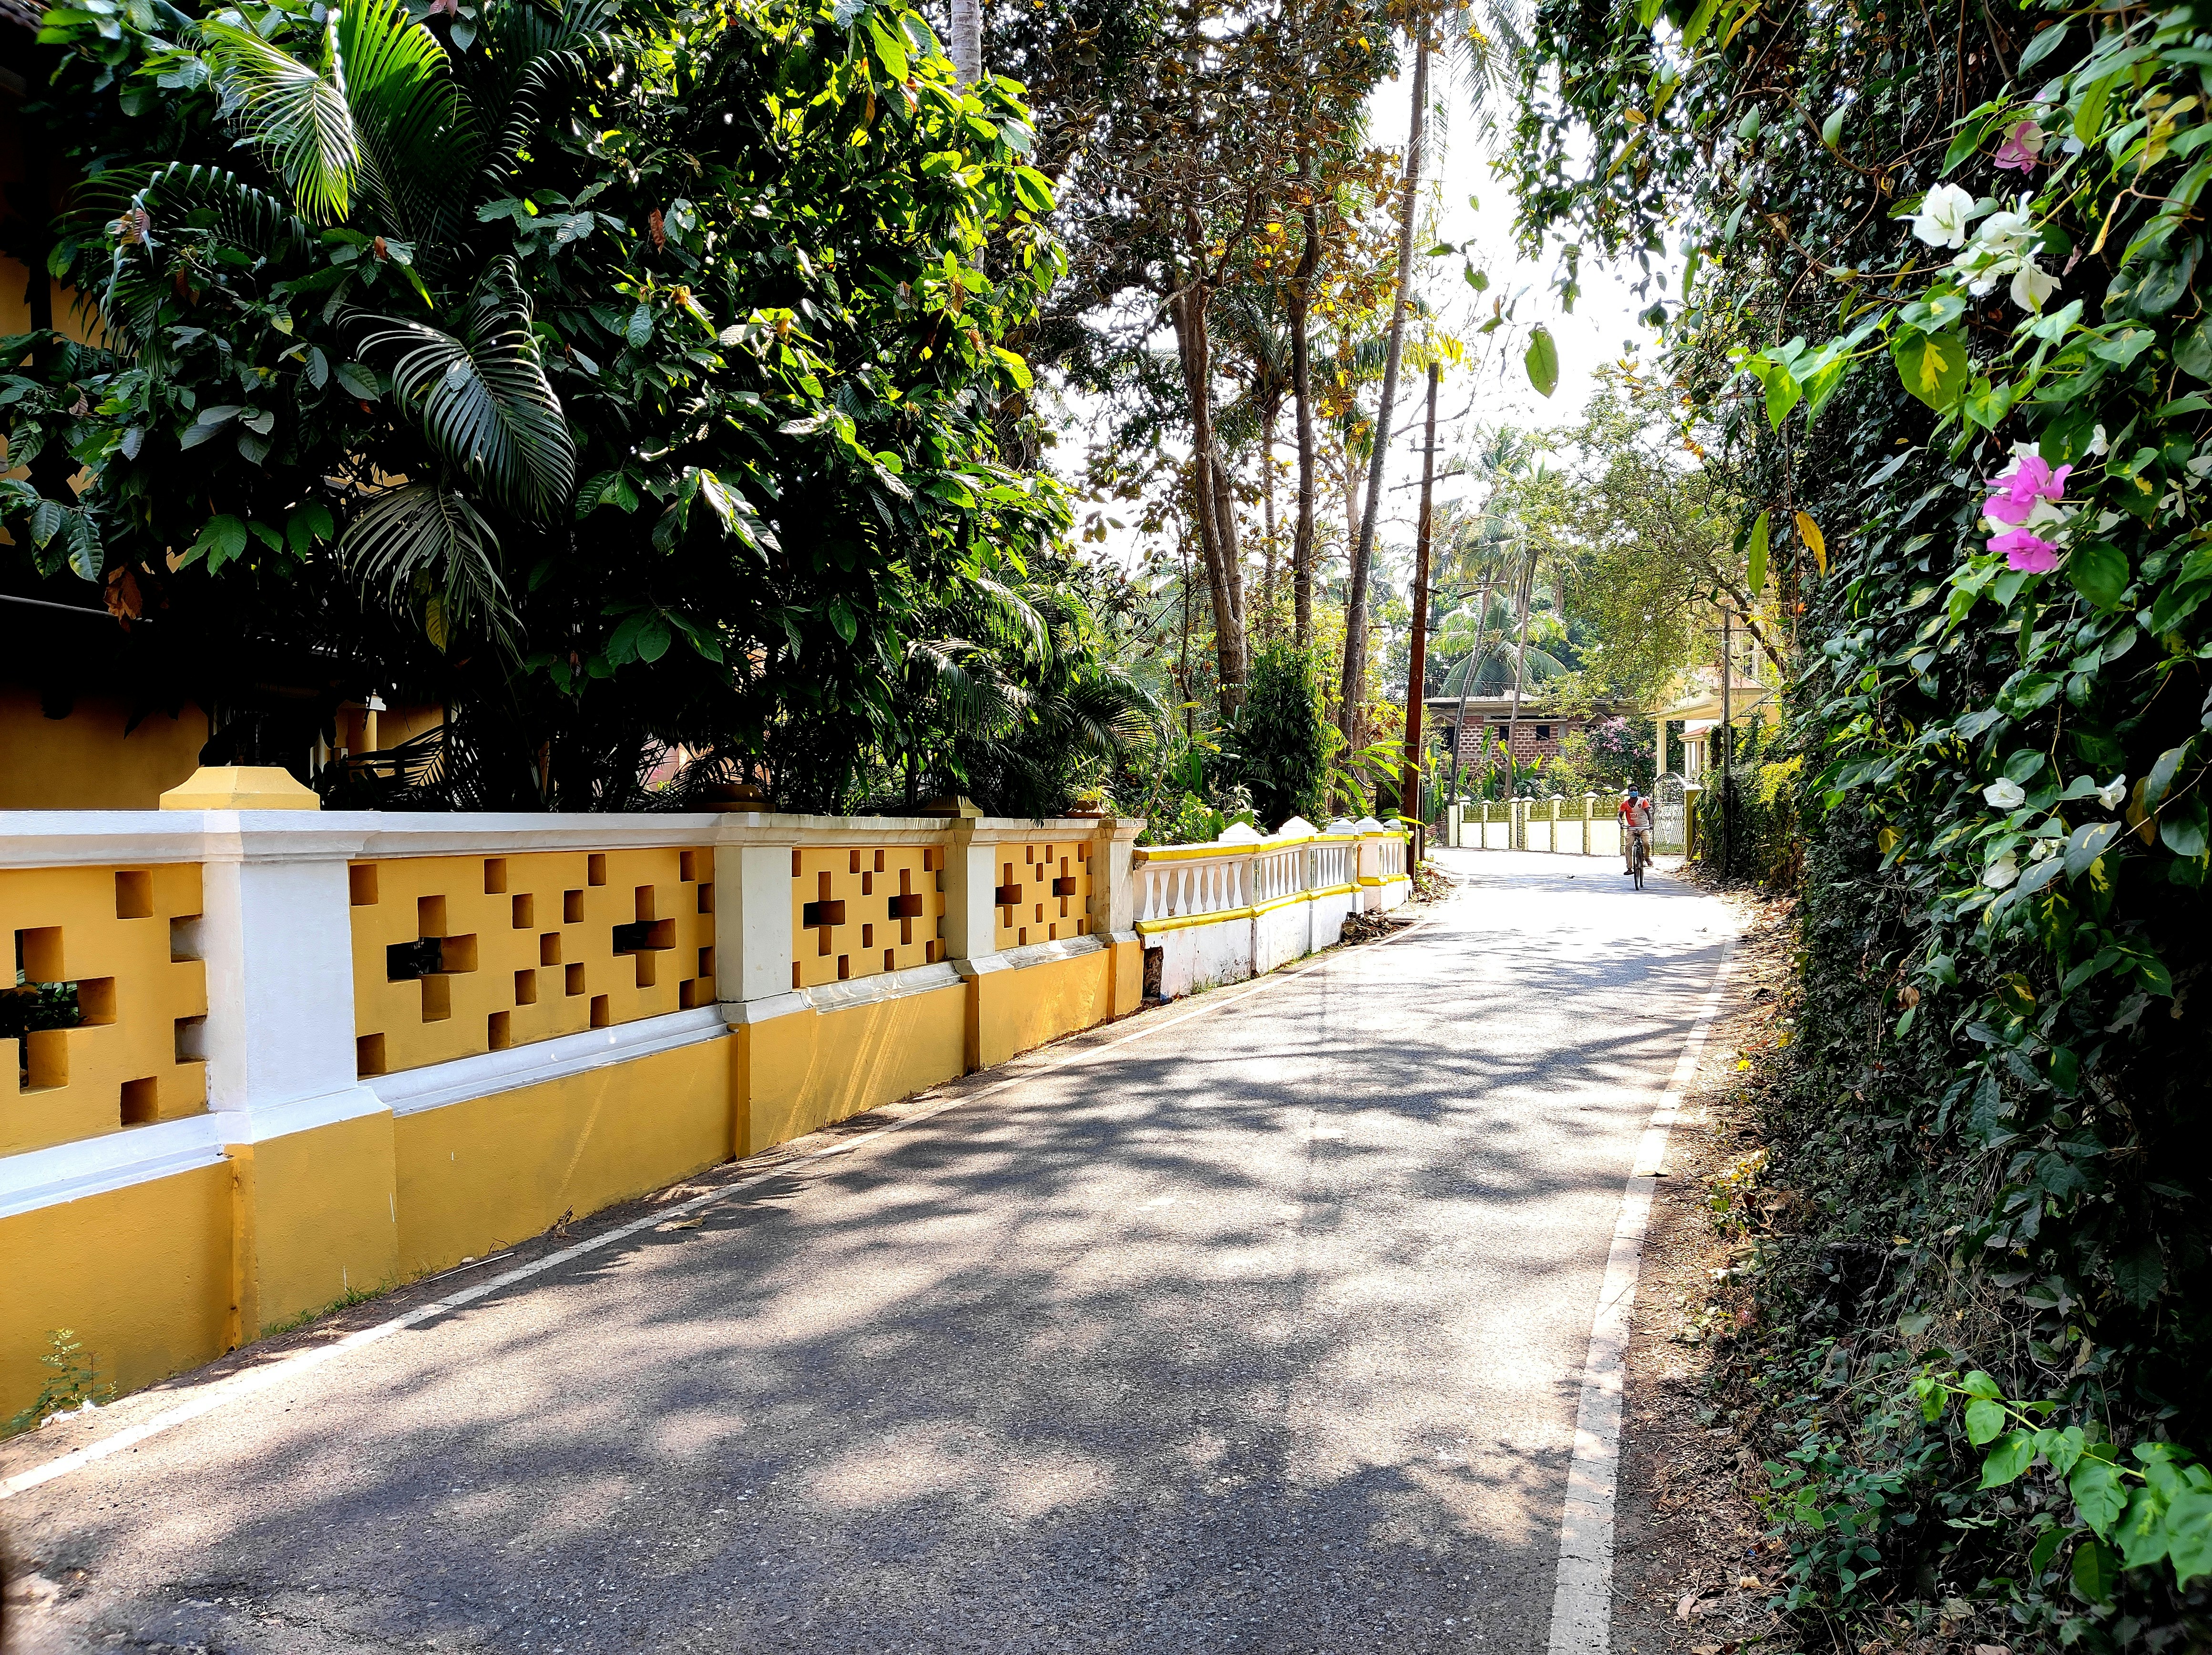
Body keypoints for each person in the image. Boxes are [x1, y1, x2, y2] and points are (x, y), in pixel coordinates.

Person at [1618, 787, 1654, 874]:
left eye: (1635, 791)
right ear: (1629, 792)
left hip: (1644, 827)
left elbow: (1649, 813)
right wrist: (1622, 824)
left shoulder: (1643, 801)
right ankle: (1630, 868)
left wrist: (1651, 824)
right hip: (1632, 828)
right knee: (1628, 846)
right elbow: (1619, 816)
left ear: (1638, 792)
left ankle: (1647, 857)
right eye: (1632, 791)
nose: (1633, 792)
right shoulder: (1625, 804)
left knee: (1646, 843)